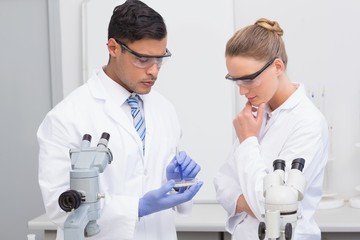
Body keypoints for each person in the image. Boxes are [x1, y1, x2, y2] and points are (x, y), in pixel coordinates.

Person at [37, 0, 203, 239]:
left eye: (160, 59)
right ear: (114, 48)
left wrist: (176, 183)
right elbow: (58, 206)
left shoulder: (164, 109)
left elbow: (148, 177)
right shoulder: (66, 117)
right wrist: (136, 207)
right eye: (143, 60)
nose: (154, 71)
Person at [213, 18, 328, 239]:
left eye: (249, 80)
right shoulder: (258, 114)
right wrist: (256, 204)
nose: (242, 92)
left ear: (277, 66)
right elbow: (222, 182)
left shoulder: (308, 122)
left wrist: (247, 141)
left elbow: (276, 207)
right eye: (237, 81)